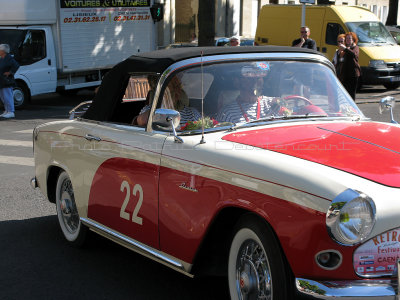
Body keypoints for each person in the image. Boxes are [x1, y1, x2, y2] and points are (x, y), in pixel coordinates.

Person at [217, 63, 283, 123]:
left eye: (258, 78)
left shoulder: (273, 103)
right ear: (237, 82)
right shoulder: (228, 113)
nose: (256, 82)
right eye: (249, 77)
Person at [132, 75, 200, 127]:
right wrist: (159, 108)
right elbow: (141, 121)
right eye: (169, 91)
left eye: (178, 87)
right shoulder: (149, 110)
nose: (177, 92)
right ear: (160, 94)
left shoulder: (192, 113)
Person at [335, 32, 361, 100]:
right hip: (345, 73)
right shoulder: (345, 48)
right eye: (347, 38)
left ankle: (352, 108)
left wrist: (346, 49)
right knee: (345, 92)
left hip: (353, 73)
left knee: (351, 93)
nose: (348, 40)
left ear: (353, 40)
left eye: (350, 38)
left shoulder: (355, 47)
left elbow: (354, 55)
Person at [0, 44, 19, 119]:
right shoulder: (2, 58)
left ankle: (11, 111)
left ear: (3, 51)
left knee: (7, 96)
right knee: (3, 97)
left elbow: (16, 65)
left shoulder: (9, 58)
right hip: (1, 80)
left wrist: (10, 72)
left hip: (6, 81)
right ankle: (6, 110)